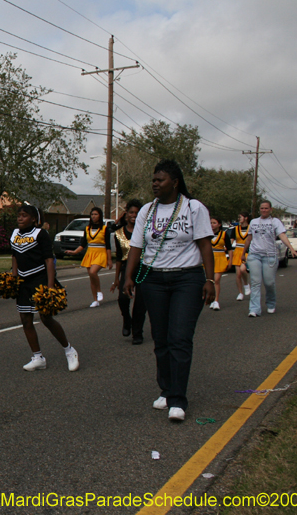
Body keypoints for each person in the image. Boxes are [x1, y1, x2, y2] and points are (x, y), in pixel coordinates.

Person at [123, 160, 215, 422]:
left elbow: (205, 246)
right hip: (153, 280)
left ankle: (178, 399)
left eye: (160, 180)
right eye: (153, 179)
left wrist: (210, 280)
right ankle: (166, 389)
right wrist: (129, 277)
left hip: (187, 279)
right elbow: (136, 247)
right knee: (161, 339)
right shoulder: (147, 211)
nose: (154, 183)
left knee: (180, 338)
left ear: (174, 182)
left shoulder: (193, 208)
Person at [11, 205, 79, 372]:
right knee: (25, 320)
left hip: (40, 279)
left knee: (46, 318)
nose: (20, 218)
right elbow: (14, 257)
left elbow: (49, 261)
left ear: (34, 219)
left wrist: (50, 288)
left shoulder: (41, 234)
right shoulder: (14, 234)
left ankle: (69, 350)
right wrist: (14, 278)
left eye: (24, 215)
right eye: (19, 215)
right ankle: (37, 357)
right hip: (23, 281)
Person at [242, 201, 297, 317]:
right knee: (255, 282)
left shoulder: (275, 222)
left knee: (269, 282)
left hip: (270, 255)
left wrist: (291, 249)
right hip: (255, 255)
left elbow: (282, 235)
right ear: (259, 209)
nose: (264, 210)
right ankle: (254, 309)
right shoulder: (254, 222)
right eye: (262, 208)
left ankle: (271, 303)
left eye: (266, 208)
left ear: (270, 209)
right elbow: (249, 238)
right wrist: (243, 253)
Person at [110, 200, 147, 344]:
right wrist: (117, 279)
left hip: (143, 268)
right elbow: (119, 257)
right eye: (131, 212)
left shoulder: (145, 231)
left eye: (137, 213)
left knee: (140, 304)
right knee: (123, 298)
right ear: (126, 214)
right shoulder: (119, 233)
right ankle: (127, 319)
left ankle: (137, 333)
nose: (134, 215)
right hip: (126, 268)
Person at [65, 207, 113, 307]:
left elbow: (108, 246)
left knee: (93, 272)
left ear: (100, 216)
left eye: (96, 214)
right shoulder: (87, 228)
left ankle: (99, 291)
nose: (94, 216)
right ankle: (95, 300)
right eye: (92, 214)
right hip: (90, 253)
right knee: (91, 278)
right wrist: (74, 252)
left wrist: (109, 260)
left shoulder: (104, 229)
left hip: (101, 252)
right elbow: (83, 244)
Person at [208, 216, 232, 311]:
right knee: (210, 280)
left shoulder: (224, 234)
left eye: (214, 223)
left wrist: (230, 260)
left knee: (217, 280)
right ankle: (211, 299)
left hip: (220, 257)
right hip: (209, 258)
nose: (212, 225)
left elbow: (229, 249)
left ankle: (216, 301)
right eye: (210, 223)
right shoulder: (207, 234)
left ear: (219, 224)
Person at [227, 212, 251, 301]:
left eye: (240, 217)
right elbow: (231, 240)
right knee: (238, 274)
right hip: (237, 251)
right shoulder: (235, 229)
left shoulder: (250, 228)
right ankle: (240, 293)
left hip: (247, 251)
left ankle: (246, 284)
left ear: (246, 218)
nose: (239, 218)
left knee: (243, 269)